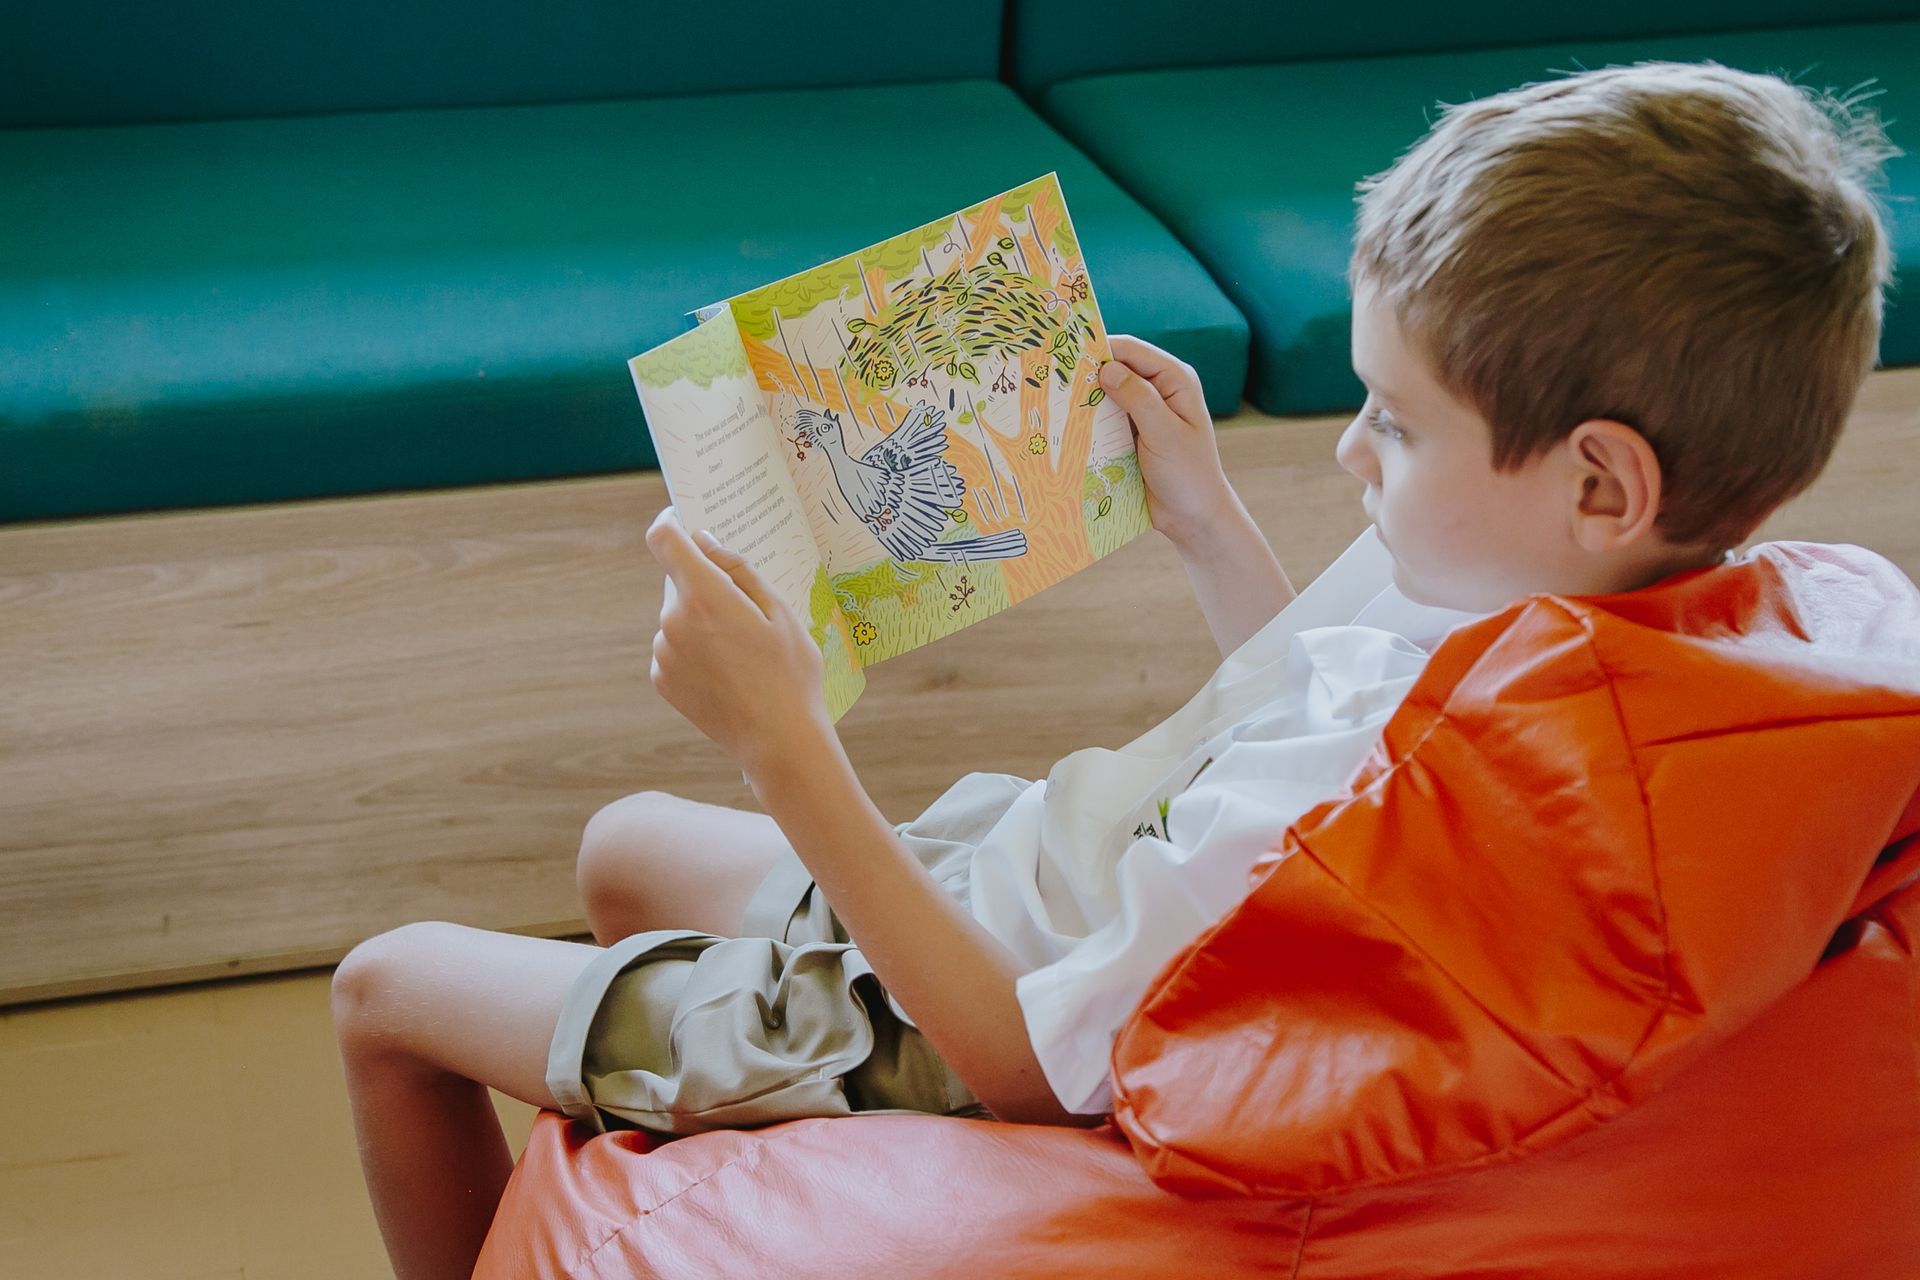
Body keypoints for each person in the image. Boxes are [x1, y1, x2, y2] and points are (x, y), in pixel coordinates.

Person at [331, 58, 1904, 1280]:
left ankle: (719, 1066)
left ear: (1602, 481)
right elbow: (1327, 717)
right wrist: (1211, 527)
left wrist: (783, 746)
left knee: (388, 987)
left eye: (1398, 422)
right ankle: (676, 1076)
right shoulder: (1580, 605)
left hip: (943, 1013)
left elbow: (1013, 1059)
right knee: (620, 846)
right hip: (1044, 866)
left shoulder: (1417, 799)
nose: (1354, 450)